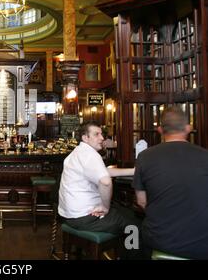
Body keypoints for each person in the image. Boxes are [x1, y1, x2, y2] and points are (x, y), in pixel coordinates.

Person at [58, 121, 142, 259]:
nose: (102, 138)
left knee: (125, 213)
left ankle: (122, 254)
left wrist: (133, 171)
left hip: (69, 215)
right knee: (134, 225)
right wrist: (105, 207)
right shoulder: (90, 155)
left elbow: (104, 173)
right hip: (84, 217)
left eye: (101, 134)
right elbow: (105, 181)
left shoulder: (78, 152)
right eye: (96, 134)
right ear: (85, 138)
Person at [133, 107, 208, 259]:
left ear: (160, 130)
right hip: (202, 245)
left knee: (133, 237)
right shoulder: (205, 156)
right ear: (188, 128)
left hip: (160, 242)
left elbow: (141, 202)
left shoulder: (144, 157)